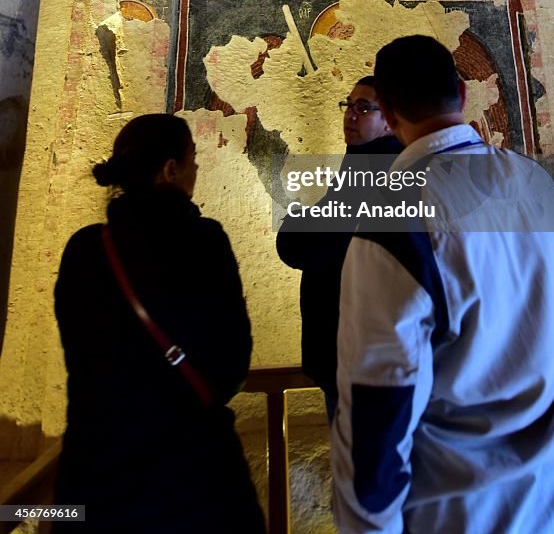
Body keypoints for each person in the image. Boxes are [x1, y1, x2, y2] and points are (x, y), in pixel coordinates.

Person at [331, 36, 554, 534]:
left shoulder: (394, 219)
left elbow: (380, 408)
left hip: (469, 512)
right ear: (463, 96)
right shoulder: (535, 182)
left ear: (390, 115)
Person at [54, 114, 265, 534]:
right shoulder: (204, 241)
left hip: (97, 480)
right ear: (170, 169)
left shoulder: (84, 249)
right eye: (192, 158)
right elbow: (231, 365)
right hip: (190, 478)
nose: (197, 168)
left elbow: (79, 355)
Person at [276, 77, 402, 421]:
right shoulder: (361, 167)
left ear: (390, 118)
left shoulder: (379, 173)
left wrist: (297, 218)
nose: (351, 115)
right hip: (352, 357)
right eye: (349, 105)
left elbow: (301, 246)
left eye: (364, 108)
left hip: (361, 358)